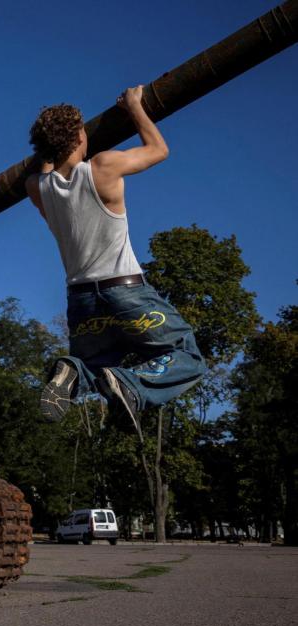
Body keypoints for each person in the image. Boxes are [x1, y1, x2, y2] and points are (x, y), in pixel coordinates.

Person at [24, 85, 206, 429]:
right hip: (125, 291)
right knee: (187, 355)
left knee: (96, 367)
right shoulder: (102, 166)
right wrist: (135, 106)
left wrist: (48, 148)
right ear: (81, 137)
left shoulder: (38, 188)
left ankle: (73, 372)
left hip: (81, 301)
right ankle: (131, 385)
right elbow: (159, 150)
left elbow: (44, 167)